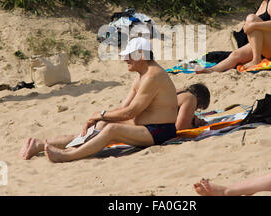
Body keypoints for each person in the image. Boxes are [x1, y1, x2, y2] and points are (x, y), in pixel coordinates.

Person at [19, 37, 179, 163]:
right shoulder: (141, 76)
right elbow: (122, 109)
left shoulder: (153, 76)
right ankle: (40, 144)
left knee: (111, 130)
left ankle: (68, 156)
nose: (125, 60)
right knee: (102, 126)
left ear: (142, 55)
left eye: (129, 56)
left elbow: (131, 112)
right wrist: (98, 119)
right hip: (143, 126)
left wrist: (100, 114)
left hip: (160, 131)